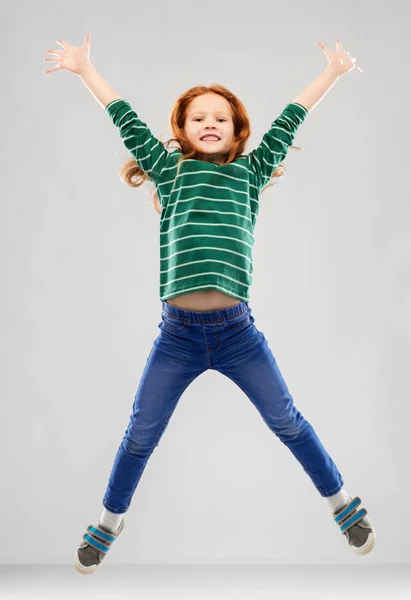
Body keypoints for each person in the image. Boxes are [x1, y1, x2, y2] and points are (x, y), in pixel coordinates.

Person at [43, 33, 375, 575]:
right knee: (141, 433)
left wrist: (333, 73)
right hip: (177, 336)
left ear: (237, 129)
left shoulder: (250, 173)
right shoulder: (169, 172)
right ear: (182, 130)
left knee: (286, 420)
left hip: (238, 334)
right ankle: (109, 519)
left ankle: (342, 505)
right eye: (198, 118)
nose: (210, 123)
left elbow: (291, 118)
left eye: (220, 116)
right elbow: (122, 116)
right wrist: (84, 70)